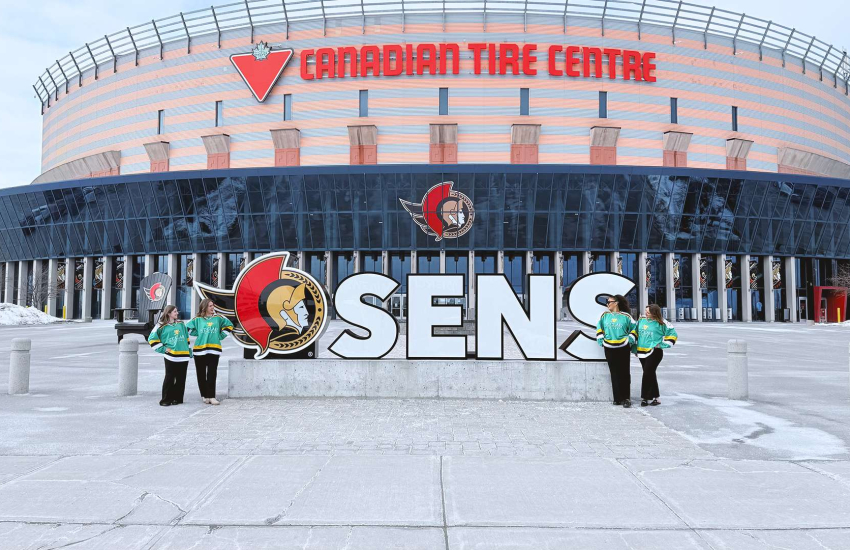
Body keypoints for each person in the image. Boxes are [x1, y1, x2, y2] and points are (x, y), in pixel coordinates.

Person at [186, 298, 234, 405]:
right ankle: (204, 395)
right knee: (201, 374)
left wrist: (220, 335)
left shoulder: (218, 318)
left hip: (214, 350)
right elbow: (187, 328)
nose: (213, 307)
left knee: (212, 374)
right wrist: (197, 333)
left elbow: (230, 325)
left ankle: (212, 396)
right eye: (210, 306)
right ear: (204, 307)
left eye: (213, 305)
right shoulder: (197, 319)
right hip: (199, 351)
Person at [632, 304, 678, 407]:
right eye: (646, 311)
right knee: (650, 374)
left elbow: (673, 334)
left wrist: (662, 344)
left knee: (647, 373)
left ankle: (645, 398)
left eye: (648, 312)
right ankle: (657, 398)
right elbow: (635, 334)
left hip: (655, 352)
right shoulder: (641, 321)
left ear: (654, 313)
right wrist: (635, 348)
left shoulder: (662, 322)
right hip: (642, 352)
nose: (646, 313)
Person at [596, 294, 637, 408]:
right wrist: (600, 338)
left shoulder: (626, 316)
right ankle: (617, 398)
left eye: (609, 302)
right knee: (613, 372)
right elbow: (599, 327)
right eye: (607, 302)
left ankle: (626, 398)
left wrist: (631, 339)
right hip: (608, 347)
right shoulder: (604, 316)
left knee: (624, 372)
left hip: (623, 346)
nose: (607, 304)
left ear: (616, 303)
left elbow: (634, 328)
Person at [147, 305, 192, 407]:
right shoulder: (160, 325)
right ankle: (166, 399)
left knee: (181, 378)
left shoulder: (181, 324)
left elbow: (186, 338)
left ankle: (178, 399)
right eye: (175, 312)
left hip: (183, 355)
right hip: (171, 356)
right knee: (169, 378)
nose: (177, 313)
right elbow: (151, 339)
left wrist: (189, 351)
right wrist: (163, 349)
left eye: (177, 311)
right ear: (169, 313)